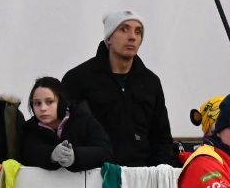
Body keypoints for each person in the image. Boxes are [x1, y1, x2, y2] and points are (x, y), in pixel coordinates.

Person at [62, 10, 178, 167]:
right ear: (109, 37)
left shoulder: (151, 82)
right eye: (124, 29)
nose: (132, 37)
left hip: (141, 177)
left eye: (138, 32)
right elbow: (65, 130)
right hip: (91, 177)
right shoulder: (78, 79)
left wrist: (156, 173)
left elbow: (161, 137)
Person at [18, 77, 114, 172]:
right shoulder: (29, 128)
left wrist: (75, 157)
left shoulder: (83, 119)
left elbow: (106, 153)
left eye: (49, 102)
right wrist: (51, 155)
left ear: (61, 102)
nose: (43, 108)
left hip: (84, 185)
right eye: (37, 103)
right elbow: (27, 154)